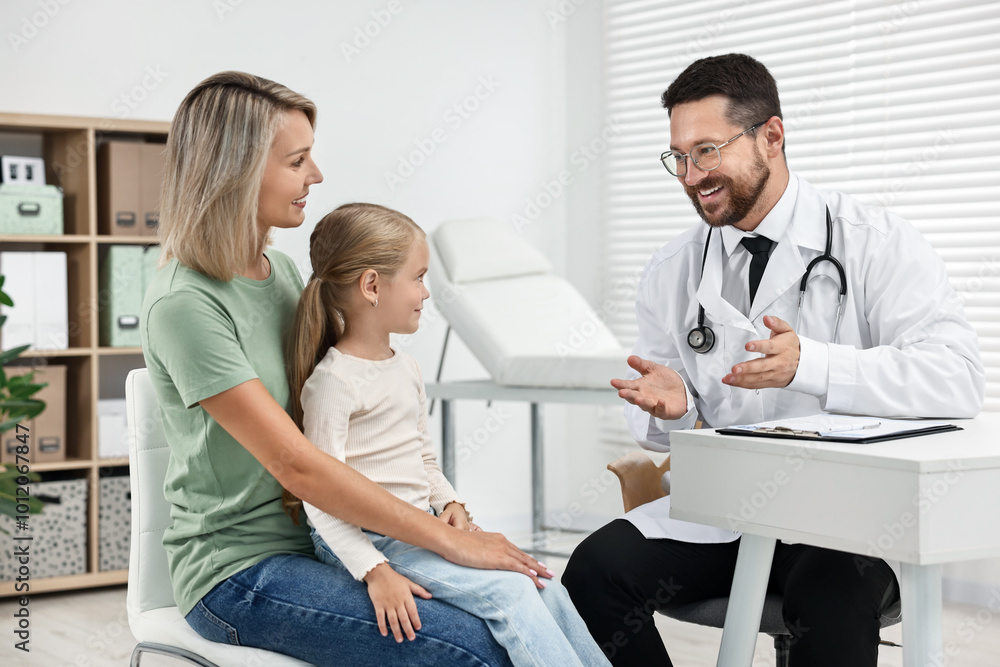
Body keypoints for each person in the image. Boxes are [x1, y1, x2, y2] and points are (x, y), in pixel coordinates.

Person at [563, 53, 985, 666]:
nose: (690, 175)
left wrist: (811, 365)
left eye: (707, 151)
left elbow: (957, 378)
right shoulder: (669, 272)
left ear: (772, 136)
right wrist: (678, 409)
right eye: (678, 157)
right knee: (594, 573)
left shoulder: (876, 242)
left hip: (848, 518)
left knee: (830, 593)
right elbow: (660, 422)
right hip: (731, 511)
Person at [141, 71, 552, 667]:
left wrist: (440, 512)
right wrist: (442, 544)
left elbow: (357, 400)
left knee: (524, 609)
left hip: (325, 542)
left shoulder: (281, 276)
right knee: (473, 650)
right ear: (235, 170)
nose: (317, 176)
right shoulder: (186, 306)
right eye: (298, 160)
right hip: (239, 573)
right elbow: (299, 466)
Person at [286, 201, 611, 667]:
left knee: (541, 580)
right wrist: (373, 569)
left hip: (417, 530)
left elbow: (423, 461)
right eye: (418, 278)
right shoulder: (334, 384)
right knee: (510, 593)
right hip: (369, 542)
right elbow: (321, 499)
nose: (427, 292)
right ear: (372, 286)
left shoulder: (407, 368)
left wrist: (451, 504)